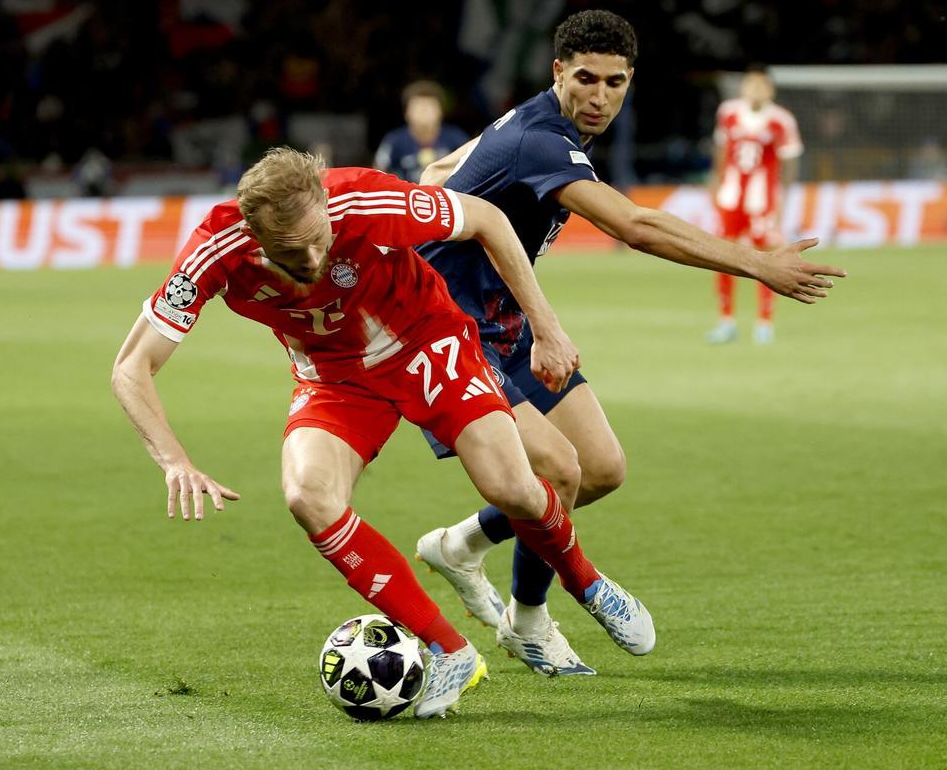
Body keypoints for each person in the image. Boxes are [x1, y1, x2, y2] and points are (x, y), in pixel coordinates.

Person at [111, 147, 656, 719]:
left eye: (320, 237)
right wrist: (173, 459)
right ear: (255, 234)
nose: (315, 257)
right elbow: (131, 367)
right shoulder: (214, 250)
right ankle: (451, 650)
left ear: (326, 204)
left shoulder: (366, 198)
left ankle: (587, 583)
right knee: (308, 495)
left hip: (428, 342)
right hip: (336, 378)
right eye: (292, 251)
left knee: (513, 488)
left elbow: (488, 219)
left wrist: (545, 326)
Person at [414, 11, 845, 676]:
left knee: (601, 468)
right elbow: (637, 225)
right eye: (585, 78)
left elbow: (445, 166)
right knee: (559, 470)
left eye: (615, 82)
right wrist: (757, 263)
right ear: (558, 72)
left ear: (629, 81)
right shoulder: (539, 141)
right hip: (444, 334)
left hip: (503, 320)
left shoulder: (529, 122)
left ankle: (461, 543)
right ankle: (528, 622)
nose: (600, 96)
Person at [708, 66, 804, 344]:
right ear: (743, 88)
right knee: (722, 256)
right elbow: (721, 148)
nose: (755, 91)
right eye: (750, 85)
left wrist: (784, 197)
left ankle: (764, 323)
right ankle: (726, 321)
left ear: (770, 91)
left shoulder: (782, 120)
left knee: (768, 258)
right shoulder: (728, 112)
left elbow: (790, 162)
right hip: (731, 196)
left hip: (762, 200)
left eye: (761, 86)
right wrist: (717, 180)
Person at [374, 80, 469, 184]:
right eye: (418, 107)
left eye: (430, 107)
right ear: (406, 113)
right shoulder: (394, 140)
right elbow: (378, 173)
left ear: (441, 111)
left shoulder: (455, 137)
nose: (424, 111)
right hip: (407, 196)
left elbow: (470, 167)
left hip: (447, 195)